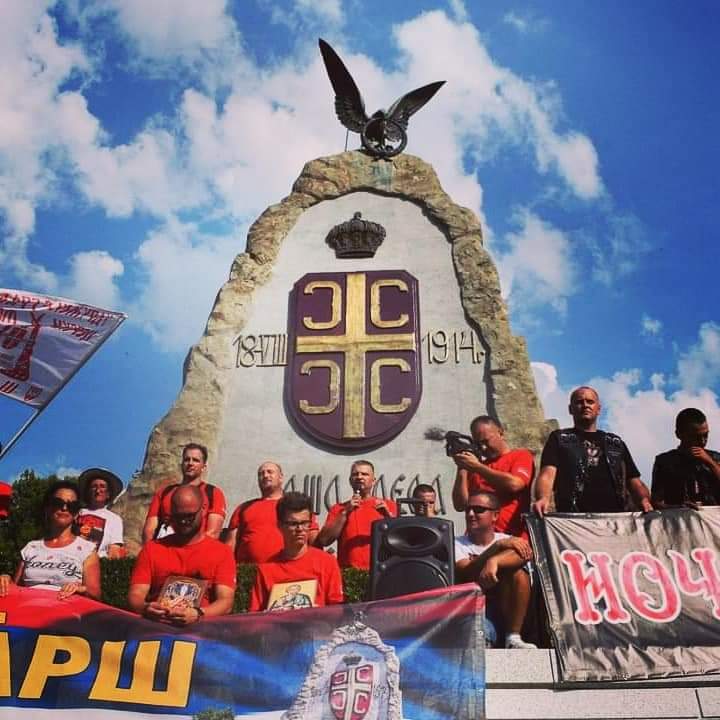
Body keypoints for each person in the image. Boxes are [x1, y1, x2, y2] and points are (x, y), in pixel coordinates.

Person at [532, 386, 653, 514]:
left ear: (598, 409)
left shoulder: (615, 442)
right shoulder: (559, 438)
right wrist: (543, 498)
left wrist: (644, 500)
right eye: (579, 402)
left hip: (615, 518)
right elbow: (547, 474)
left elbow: (634, 481)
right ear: (570, 409)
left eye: (590, 402)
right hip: (573, 518)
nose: (585, 405)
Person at [129, 485, 236, 624]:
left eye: (189, 516)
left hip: (200, 629)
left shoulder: (222, 552)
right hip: (157, 626)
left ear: (203, 509)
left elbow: (226, 602)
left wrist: (198, 614)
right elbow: (136, 595)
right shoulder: (152, 549)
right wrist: (145, 608)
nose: (183, 521)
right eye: (178, 516)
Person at [455, 491, 536, 649]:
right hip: (476, 610)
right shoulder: (456, 543)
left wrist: (495, 560)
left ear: (495, 515)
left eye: (478, 510)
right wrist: (496, 548)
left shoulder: (508, 540)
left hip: (511, 611)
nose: (470, 514)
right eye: (468, 509)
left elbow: (525, 555)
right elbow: (466, 572)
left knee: (519, 573)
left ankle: (513, 638)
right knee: (478, 635)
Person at [0, 480, 100, 600]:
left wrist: (80, 589)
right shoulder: (31, 548)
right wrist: (6, 580)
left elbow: (95, 594)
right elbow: (16, 588)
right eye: (58, 503)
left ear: (76, 514)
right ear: (48, 508)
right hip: (28, 607)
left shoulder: (87, 550)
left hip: (66, 608)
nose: (64, 508)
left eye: (72, 505)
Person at [249, 492, 343, 612]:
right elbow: (255, 616)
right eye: (293, 524)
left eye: (304, 523)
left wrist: (319, 612)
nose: (300, 529)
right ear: (280, 525)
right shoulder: (266, 569)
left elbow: (338, 611)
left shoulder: (327, 563)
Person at [452, 415, 534, 537]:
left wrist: (477, 467)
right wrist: (462, 468)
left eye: (486, 441)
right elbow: (460, 505)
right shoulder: (475, 466)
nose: (483, 447)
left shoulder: (520, 455)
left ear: (501, 433)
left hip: (511, 536)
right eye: (479, 443)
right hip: (476, 539)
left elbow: (515, 484)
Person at [224, 461, 318, 563]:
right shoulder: (244, 508)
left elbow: (314, 540)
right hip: (249, 569)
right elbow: (230, 544)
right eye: (261, 474)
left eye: (270, 472)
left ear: (280, 477)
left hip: (286, 567)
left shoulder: (298, 506)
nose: (265, 475)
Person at [316, 460, 397, 570]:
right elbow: (324, 540)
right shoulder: (338, 509)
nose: (359, 477)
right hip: (349, 572)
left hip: (380, 570)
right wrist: (345, 512)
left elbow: (400, 540)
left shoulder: (389, 506)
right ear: (350, 480)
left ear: (373, 480)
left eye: (364, 474)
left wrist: (388, 516)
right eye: (355, 474)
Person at [142, 443, 227, 543]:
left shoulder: (214, 493)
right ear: (182, 463)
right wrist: (152, 549)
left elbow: (213, 532)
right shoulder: (164, 493)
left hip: (197, 549)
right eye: (187, 459)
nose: (190, 463)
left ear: (203, 467)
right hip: (163, 547)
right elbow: (149, 530)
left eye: (195, 460)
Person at [652, 408, 720, 508]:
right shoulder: (664, 462)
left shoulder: (716, 458)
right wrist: (679, 508)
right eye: (695, 437)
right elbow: (656, 502)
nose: (702, 441)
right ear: (679, 434)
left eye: (706, 435)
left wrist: (710, 462)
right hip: (679, 517)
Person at [77, 467, 125, 559]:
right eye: (94, 486)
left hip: (96, 562)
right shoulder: (77, 513)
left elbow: (115, 548)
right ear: (88, 491)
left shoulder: (115, 519)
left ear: (108, 494)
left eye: (102, 486)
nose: (98, 490)